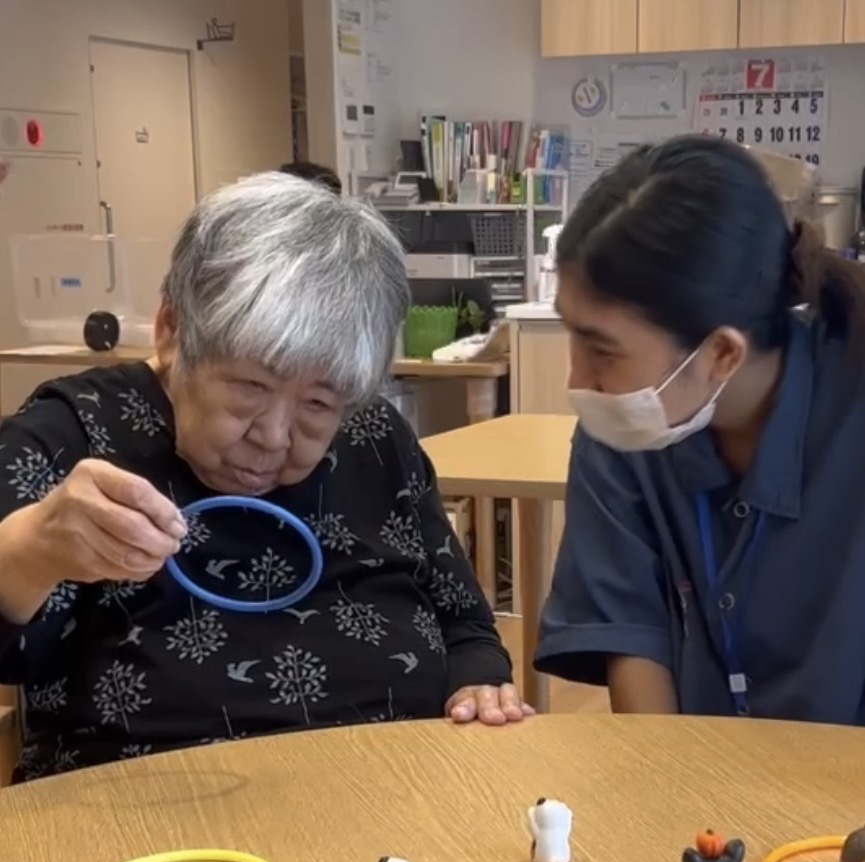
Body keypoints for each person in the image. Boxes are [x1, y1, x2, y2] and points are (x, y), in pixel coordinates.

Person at [0, 172, 530, 782]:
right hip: (147, 818)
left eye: (318, 404)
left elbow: (464, 622)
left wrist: (478, 684)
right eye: (251, 387)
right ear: (172, 332)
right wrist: (35, 549)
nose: (275, 436)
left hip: (390, 794)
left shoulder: (374, 436)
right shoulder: (71, 433)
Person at [534, 133, 865, 724]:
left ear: (720, 354)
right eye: (572, 336)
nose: (578, 380)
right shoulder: (624, 426)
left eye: (602, 351)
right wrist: (672, 777)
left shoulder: (849, 408)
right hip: (701, 766)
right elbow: (629, 634)